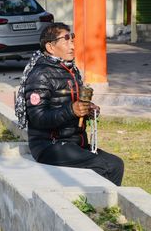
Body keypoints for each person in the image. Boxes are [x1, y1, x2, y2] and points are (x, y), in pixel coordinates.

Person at [15, 22, 124, 186]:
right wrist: (71, 111)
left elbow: (73, 104)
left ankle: (105, 207)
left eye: (72, 39)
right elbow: (37, 117)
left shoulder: (71, 71)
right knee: (106, 167)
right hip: (50, 146)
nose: (72, 46)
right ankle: (94, 206)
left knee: (116, 164)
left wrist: (87, 109)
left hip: (74, 143)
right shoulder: (40, 74)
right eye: (66, 41)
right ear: (50, 47)